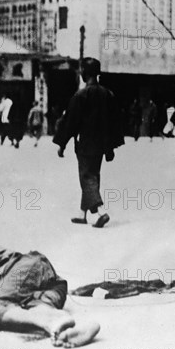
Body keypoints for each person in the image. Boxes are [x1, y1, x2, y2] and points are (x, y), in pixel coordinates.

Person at [53, 58, 124, 228]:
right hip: (101, 144)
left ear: (84, 73)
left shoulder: (80, 96)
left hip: (85, 143)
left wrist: (62, 144)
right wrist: (111, 148)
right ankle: (82, 214)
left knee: (86, 177)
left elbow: (70, 122)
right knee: (93, 175)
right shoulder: (108, 94)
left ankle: (101, 212)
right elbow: (115, 122)